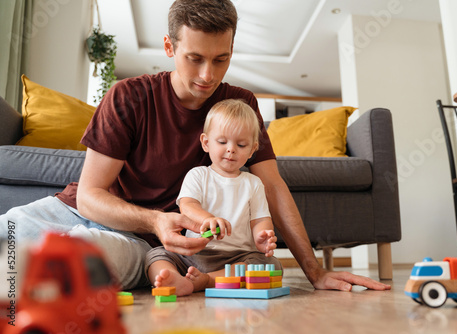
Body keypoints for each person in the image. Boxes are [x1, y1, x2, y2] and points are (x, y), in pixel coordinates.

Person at [0, 0, 390, 292]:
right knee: (10, 235)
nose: (208, 76)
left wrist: (316, 272)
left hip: (136, 242)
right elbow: (88, 198)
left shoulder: (240, 103)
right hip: (77, 210)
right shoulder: (127, 96)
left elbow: (272, 186)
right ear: (169, 48)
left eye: (221, 59)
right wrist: (155, 218)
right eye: (195, 58)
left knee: (67, 264)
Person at [146, 99, 280, 296]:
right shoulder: (198, 175)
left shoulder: (253, 183)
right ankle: (171, 278)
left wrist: (262, 237)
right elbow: (187, 205)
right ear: (206, 143)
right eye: (222, 142)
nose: (231, 149)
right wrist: (207, 219)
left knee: (270, 264)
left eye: (241, 144)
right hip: (195, 254)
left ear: (252, 149)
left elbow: (260, 219)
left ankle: (206, 280)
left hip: (238, 258)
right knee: (155, 254)